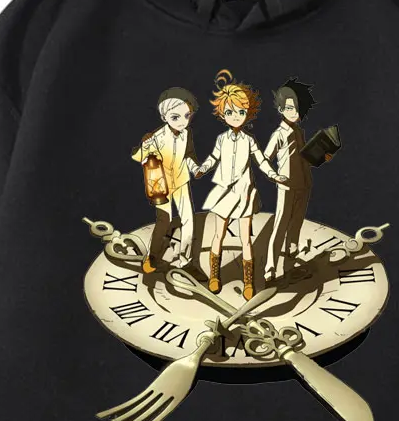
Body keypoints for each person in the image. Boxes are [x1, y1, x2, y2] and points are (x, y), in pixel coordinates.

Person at [192, 70, 287, 298]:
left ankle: (248, 283)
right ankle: (215, 276)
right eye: (230, 112)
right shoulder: (221, 139)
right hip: (224, 192)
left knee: (246, 239)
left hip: (244, 193)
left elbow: (261, 161)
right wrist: (202, 169)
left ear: (248, 113)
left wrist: (274, 175)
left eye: (241, 112)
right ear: (222, 113)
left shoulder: (249, 140)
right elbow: (213, 158)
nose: (235, 116)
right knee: (218, 235)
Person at [130, 86, 199, 272]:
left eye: (187, 116)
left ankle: (186, 262)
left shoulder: (187, 134)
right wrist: (145, 146)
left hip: (182, 181)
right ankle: (152, 257)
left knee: (188, 220)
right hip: (161, 185)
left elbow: (189, 155)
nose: (182, 122)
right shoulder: (157, 137)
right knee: (164, 220)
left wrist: (195, 169)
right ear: (164, 116)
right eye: (175, 117)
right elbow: (137, 156)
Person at [263, 76, 316, 280]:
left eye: (298, 109)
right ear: (281, 109)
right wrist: (275, 177)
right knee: (281, 226)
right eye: (290, 108)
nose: (295, 113)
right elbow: (265, 158)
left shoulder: (299, 132)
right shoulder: (279, 134)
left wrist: (320, 156)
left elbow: (304, 158)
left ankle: (290, 264)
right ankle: (270, 268)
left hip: (304, 184)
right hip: (286, 186)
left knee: (296, 224)